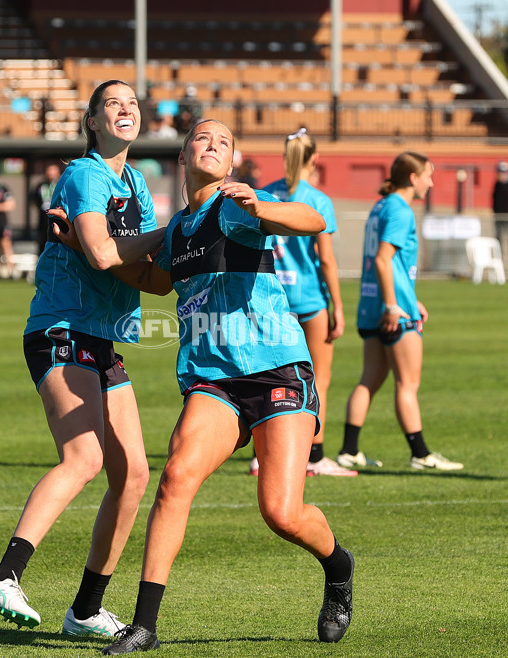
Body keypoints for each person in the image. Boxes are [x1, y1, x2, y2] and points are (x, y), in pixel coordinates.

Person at [97, 119, 354, 654]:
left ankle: (338, 566)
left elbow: (310, 219)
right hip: (214, 381)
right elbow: (156, 280)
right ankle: (145, 625)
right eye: (201, 138)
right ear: (184, 155)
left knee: (281, 513)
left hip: (277, 370)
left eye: (223, 141)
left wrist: (262, 206)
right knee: (175, 479)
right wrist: (86, 249)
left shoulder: (237, 206)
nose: (210, 145)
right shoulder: (179, 228)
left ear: (231, 162)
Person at [0, 80, 167, 638]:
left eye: (132, 103)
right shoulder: (85, 175)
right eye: (113, 104)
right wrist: (171, 232)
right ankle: (4, 576)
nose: (125, 110)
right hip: (61, 329)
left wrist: (198, 250)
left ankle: (84, 611)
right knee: (84, 458)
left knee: (131, 476)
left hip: (101, 339)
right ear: (92, 121)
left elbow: (147, 279)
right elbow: (107, 254)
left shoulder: (138, 184)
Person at [336, 151, 463, 472]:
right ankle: (420, 454)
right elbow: (383, 260)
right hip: (391, 310)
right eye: (428, 176)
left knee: (370, 378)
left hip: (371, 305)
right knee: (407, 384)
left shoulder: (380, 206)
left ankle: (349, 450)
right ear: (413, 178)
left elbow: (392, 265)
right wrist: (395, 305)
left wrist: (409, 297)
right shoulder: (400, 210)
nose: (431, 183)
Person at [250, 128, 355, 477]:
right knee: (318, 380)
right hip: (309, 300)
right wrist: (338, 305)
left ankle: (261, 454)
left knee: (265, 378)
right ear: (314, 159)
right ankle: (315, 456)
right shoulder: (317, 199)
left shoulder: (267, 193)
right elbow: (325, 260)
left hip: (270, 299)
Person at [32, 163, 61, 255]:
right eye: (49, 170)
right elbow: (34, 200)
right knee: (42, 240)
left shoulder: (60, 184)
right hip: (43, 219)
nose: (51, 173)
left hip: (57, 219)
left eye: (53, 170)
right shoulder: (41, 185)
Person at [492, 160, 508, 258]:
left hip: (506, 216)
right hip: (498, 215)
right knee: (498, 237)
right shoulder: (497, 184)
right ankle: (499, 256)